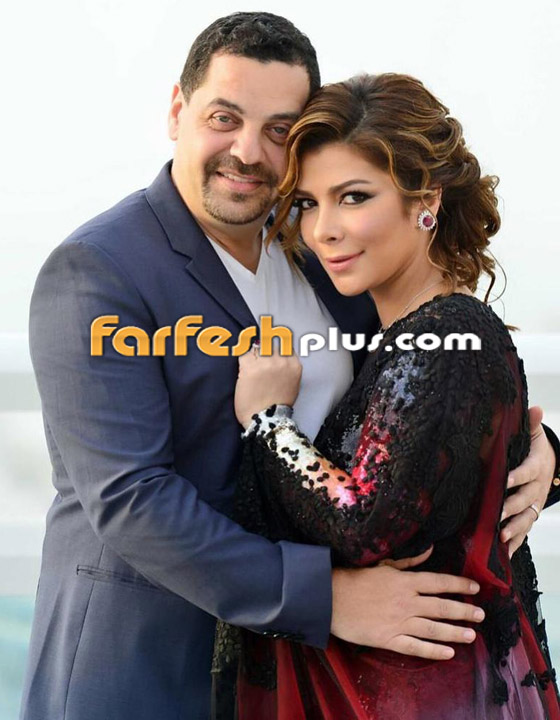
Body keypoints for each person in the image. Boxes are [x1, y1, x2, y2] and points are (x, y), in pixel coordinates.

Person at [21, 13, 560, 720]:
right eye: (224, 118)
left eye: (278, 129)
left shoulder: (324, 254)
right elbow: (130, 497)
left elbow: (421, 395)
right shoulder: (99, 270)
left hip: (310, 681)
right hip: (152, 665)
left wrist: (539, 456)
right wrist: (329, 598)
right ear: (178, 111)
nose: (247, 151)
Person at [211, 73, 560, 719]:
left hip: (425, 693)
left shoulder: (442, 334)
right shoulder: (418, 329)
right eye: (308, 203)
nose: (323, 230)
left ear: (424, 200)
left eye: (353, 197)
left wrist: (268, 422)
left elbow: (363, 521)